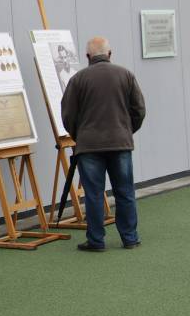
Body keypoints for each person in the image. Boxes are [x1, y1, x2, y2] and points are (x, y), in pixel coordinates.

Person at [61, 37, 146, 252]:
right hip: (120, 143)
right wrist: (126, 130)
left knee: (94, 194)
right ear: (110, 54)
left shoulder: (78, 79)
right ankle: (130, 238)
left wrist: (79, 135)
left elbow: (68, 115)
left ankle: (96, 241)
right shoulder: (126, 75)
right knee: (125, 192)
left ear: (88, 57)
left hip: (89, 145)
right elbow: (139, 110)